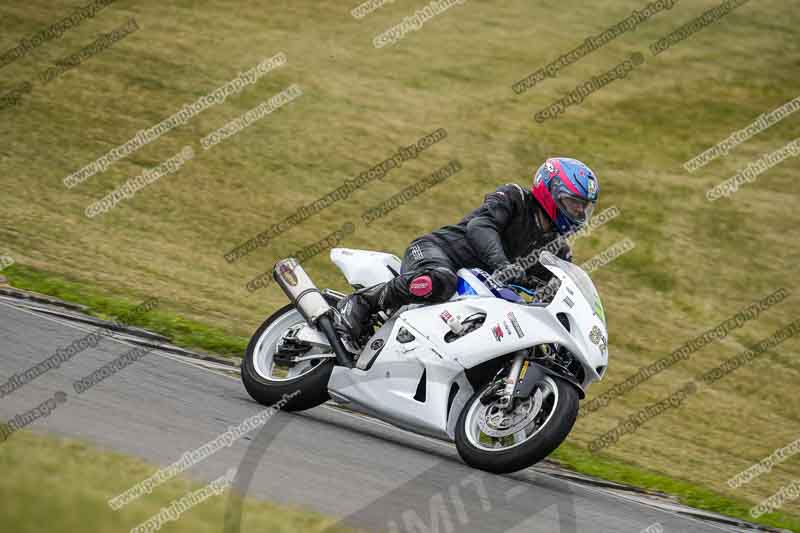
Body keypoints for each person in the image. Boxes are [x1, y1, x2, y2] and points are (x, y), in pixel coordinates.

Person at [335, 157, 600, 344]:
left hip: (477, 293)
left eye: (584, 207)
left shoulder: (557, 250)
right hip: (436, 252)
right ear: (550, 190)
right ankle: (362, 302)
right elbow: (480, 227)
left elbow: (559, 288)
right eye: (574, 202)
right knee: (439, 280)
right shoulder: (515, 198)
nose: (579, 212)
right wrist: (502, 265)